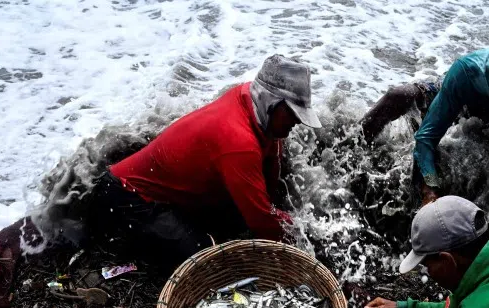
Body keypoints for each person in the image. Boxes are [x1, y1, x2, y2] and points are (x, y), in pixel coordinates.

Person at [92, 54, 321, 263]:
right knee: (209, 259)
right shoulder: (239, 143)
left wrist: (280, 208)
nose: (297, 122)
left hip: (170, 189)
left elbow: (272, 165)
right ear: (271, 104)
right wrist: (310, 248)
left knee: (233, 218)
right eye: (293, 114)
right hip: (127, 196)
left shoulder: (250, 101)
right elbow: (265, 225)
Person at [360, 34, 489, 205]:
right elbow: (426, 138)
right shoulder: (467, 71)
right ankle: (351, 146)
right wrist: (430, 188)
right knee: (398, 96)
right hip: (456, 100)